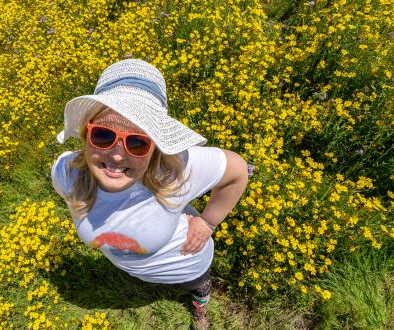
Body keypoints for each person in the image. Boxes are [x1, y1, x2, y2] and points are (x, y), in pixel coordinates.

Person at [51, 59, 248, 329]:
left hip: (186, 263)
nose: (118, 154)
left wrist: (208, 221)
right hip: (134, 266)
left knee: (199, 286)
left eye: (137, 141)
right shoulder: (66, 173)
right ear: (86, 134)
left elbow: (238, 169)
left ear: (156, 146)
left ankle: (200, 306)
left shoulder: (176, 170)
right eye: (104, 135)